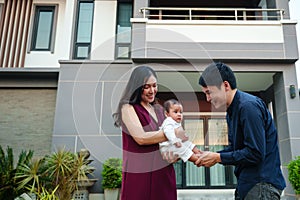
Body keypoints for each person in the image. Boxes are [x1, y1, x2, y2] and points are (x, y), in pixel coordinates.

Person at [197, 62, 286, 200]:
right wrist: (212, 155)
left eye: (209, 92)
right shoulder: (232, 111)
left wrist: (217, 157)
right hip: (250, 185)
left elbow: (255, 153)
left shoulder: (248, 107)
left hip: (261, 186)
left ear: (225, 85)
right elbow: (236, 148)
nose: (208, 99)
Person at [113, 66, 188, 200]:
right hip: (140, 174)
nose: (152, 90)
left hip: (163, 173)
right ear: (137, 87)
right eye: (146, 86)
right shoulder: (128, 108)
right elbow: (140, 138)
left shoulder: (159, 109)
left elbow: (171, 142)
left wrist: (175, 155)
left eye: (154, 85)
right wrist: (174, 133)